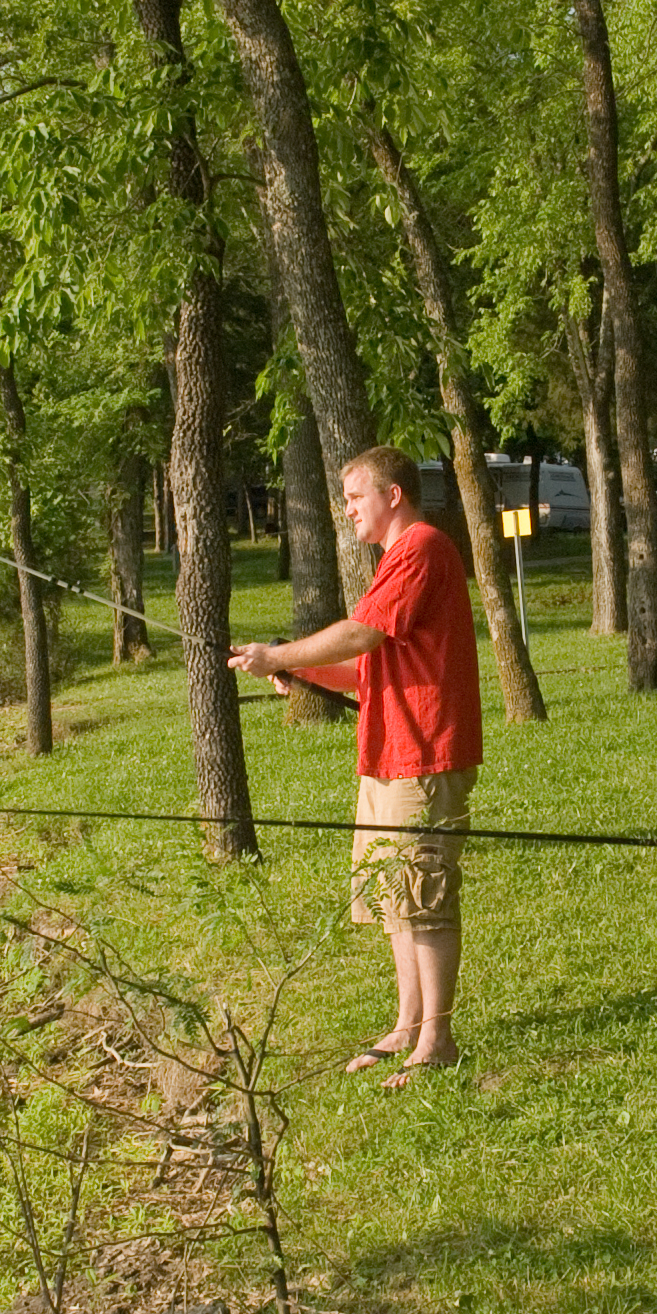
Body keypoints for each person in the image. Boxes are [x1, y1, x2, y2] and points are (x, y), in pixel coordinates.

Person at [230, 447, 485, 1082]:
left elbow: (360, 634)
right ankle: (407, 1025)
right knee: (394, 898)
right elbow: (364, 664)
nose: (346, 511)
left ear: (392, 495)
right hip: (387, 752)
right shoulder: (395, 561)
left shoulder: (422, 547)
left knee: (422, 897)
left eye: (354, 498)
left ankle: (437, 1039)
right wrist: (290, 664)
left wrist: (281, 652)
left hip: (424, 751)